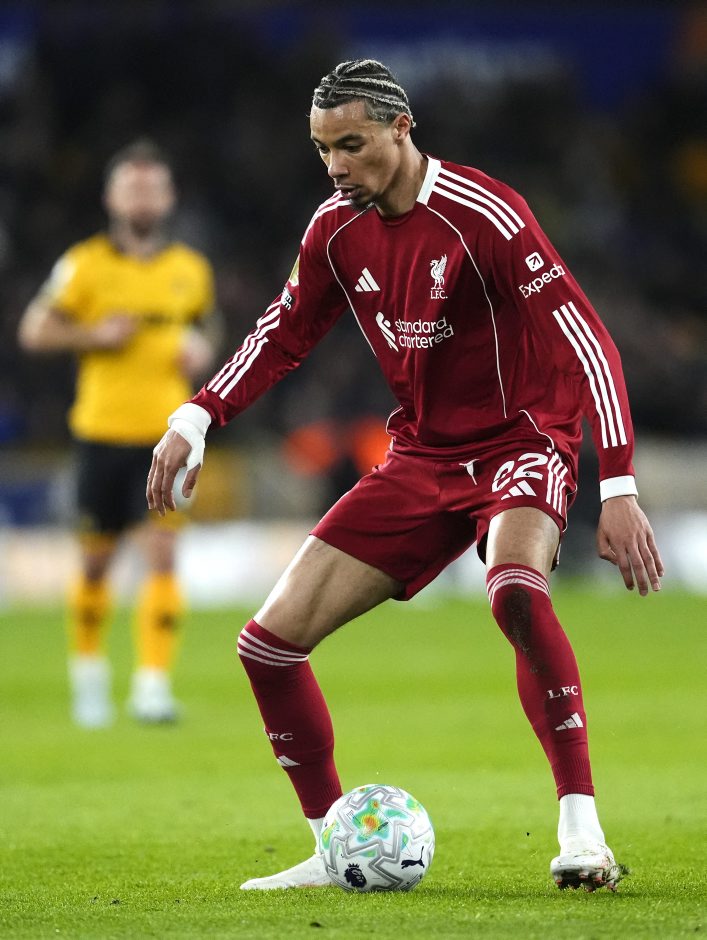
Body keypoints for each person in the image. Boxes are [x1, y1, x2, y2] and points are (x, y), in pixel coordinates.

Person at [147, 60, 663, 890]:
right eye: (322, 149)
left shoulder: (484, 213)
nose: (335, 166)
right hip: (421, 455)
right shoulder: (333, 229)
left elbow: (588, 342)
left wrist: (619, 486)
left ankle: (582, 833)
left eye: (350, 145)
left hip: (522, 438)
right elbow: (283, 331)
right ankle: (332, 848)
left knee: (515, 591)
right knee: (267, 647)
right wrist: (197, 415)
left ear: (401, 127)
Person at [18, 139, 219, 727]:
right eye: (132, 188)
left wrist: (202, 348)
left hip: (165, 438)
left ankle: (152, 686)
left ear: (169, 197)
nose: (143, 198)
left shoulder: (190, 270)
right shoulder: (84, 265)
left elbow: (208, 328)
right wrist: (92, 335)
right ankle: (89, 675)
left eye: (152, 188)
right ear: (111, 198)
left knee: (163, 554)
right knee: (96, 562)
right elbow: (33, 329)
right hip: (100, 433)